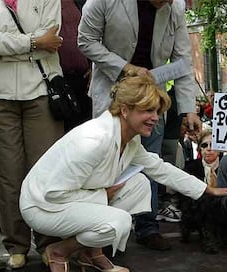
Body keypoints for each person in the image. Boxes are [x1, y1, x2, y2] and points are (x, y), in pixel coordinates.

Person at [19, 75, 227, 272]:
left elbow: (158, 168)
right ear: (124, 110)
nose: (155, 118)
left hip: (70, 198)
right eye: (148, 110)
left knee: (140, 185)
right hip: (42, 205)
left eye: (157, 112)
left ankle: (91, 252)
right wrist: (103, 195)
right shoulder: (94, 140)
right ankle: (58, 251)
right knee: (118, 221)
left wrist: (205, 189)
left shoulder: (129, 139)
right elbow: (54, 193)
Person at [78, 0, 202, 250]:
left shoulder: (175, 7)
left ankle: (148, 227)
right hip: (112, 94)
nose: (170, 2)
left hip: (150, 98)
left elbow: (182, 59)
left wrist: (188, 109)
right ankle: (101, 234)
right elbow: (85, 41)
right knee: (106, 165)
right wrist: (125, 68)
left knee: (151, 162)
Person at [0, 0, 64, 269]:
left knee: (45, 171)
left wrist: (7, 47)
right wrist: (32, 44)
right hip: (1, 96)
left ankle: (49, 242)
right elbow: (40, 43)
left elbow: (52, 40)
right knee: (8, 173)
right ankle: (16, 245)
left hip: (42, 90)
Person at [59, 0, 92, 132]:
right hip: (57, 82)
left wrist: (94, 67)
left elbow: (94, 35)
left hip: (83, 78)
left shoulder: (82, 2)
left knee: (84, 131)